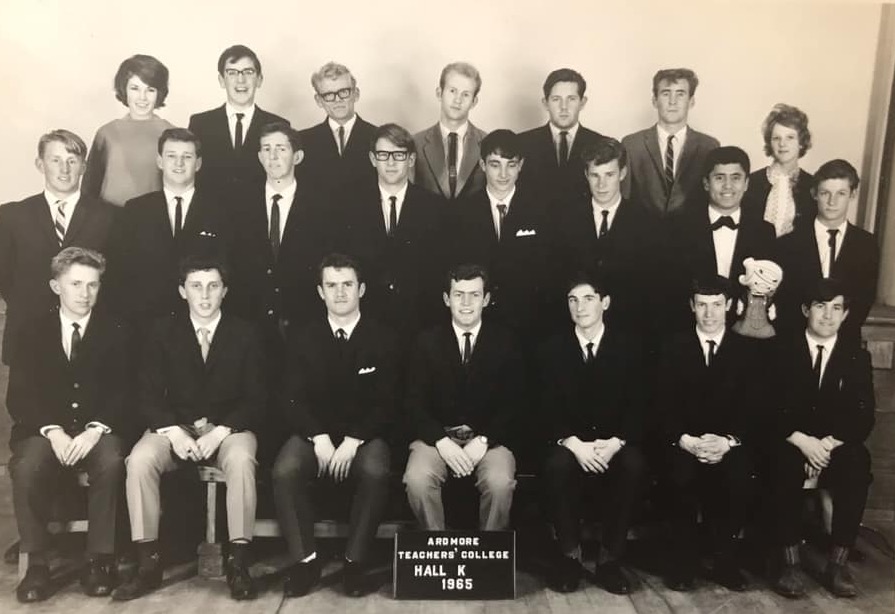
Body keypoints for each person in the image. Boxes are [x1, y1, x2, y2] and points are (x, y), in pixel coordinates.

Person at [112, 256, 266, 602]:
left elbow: (258, 398)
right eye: (196, 286)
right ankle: (148, 563)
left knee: (242, 461)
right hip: (174, 428)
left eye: (213, 286)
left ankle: (238, 563)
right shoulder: (161, 332)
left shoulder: (246, 333)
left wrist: (221, 430)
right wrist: (173, 431)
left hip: (229, 428)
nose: (205, 295)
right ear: (183, 291)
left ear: (225, 290)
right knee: (140, 460)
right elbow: (147, 395)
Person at [7, 247, 130, 603]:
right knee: (27, 466)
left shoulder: (118, 330)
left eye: (93, 285)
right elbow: (20, 396)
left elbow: (124, 390)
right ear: (55, 286)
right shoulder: (32, 331)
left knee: (111, 461)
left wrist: (96, 428)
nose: (84, 293)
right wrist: (53, 430)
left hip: (98, 430)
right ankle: (37, 563)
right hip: (45, 431)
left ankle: (99, 560)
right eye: (75, 284)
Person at [272, 254, 398, 598]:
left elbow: (388, 402)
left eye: (347, 285)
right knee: (285, 470)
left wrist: (354, 440)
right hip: (315, 434)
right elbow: (291, 398)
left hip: (365, 435)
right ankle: (306, 562)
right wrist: (319, 437)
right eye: (331, 285)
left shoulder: (384, 338)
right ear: (320, 291)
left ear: (362, 289)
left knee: (375, 471)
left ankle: (354, 564)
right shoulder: (302, 336)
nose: (340, 293)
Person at [539, 271, 647, 595]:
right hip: (571, 442)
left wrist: (616, 442)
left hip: (613, 441)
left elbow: (640, 404)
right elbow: (544, 407)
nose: (580, 307)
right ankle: (569, 558)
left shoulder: (630, 347)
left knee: (633, 465)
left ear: (605, 303)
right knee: (557, 466)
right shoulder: (551, 349)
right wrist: (573, 444)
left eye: (588, 299)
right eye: (573, 300)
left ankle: (609, 560)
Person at [769, 280, 875, 599]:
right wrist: (803, 442)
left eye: (836, 308)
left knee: (857, 463)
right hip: (792, 440)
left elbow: (864, 416)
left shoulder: (856, 356)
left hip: (833, 444)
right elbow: (767, 408)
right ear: (806, 310)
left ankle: (837, 563)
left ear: (845, 315)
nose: (828, 316)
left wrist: (826, 445)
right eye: (820, 307)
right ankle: (790, 564)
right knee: (781, 464)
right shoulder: (781, 350)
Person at [655, 276, 762, 592]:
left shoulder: (747, 351)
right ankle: (682, 563)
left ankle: (725, 563)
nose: (709, 313)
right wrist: (684, 440)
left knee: (739, 476)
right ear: (692, 306)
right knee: (680, 476)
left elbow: (753, 408)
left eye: (716, 305)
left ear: (729, 306)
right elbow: (661, 404)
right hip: (684, 442)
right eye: (702, 305)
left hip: (727, 444)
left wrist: (727, 442)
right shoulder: (672, 347)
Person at [403, 264, 521, 531]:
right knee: (417, 480)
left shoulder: (505, 342)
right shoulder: (426, 342)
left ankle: (490, 551)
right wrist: (441, 441)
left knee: (500, 483)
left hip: (488, 440)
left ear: (486, 299)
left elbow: (514, 403)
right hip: (437, 439)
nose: (466, 303)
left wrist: (485, 439)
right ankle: (437, 547)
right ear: (447, 299)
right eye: (459, 295)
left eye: (474, 295)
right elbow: (413, 403)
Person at [0, 129, 115, 366]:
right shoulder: (11, 215)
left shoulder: (109, 217)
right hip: (27, 334)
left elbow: (115, 276)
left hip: (89, 336)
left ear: (84, 167)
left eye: (72, 161)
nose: (64, 169)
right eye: (56, 160)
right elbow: (5, 276)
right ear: (40, 164)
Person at [227, 121, 332, 376]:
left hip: (303, 321)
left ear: (297, 156)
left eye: (281, 149)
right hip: (250, 321)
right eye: (267, 149)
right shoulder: (238, 202)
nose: (273, 156)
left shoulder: (322, 204)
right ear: (259, 156)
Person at [105, 128, 230, 337]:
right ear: (160, 161)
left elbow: (228, 267)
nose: (179, 163)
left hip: (200, 324)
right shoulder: (135, 210)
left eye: (187, 157)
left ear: (198, 164)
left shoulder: (220, 211)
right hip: (144, 323)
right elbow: (117, 271)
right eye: (171, 156)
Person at [333, 123, 446, 346]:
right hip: (365, 321)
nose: (391, 162)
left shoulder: (434, 207)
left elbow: (438, 270)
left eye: (399, 155)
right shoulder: (349, 205)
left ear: (411, 160)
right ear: (373, 159)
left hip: (418, 323)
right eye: (383, 155)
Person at [450, 129, 559, 342]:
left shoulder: (542, 210)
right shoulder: (462, 212)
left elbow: (549, 269)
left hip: (529, 321)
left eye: (511, 165)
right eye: (495, 164)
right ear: (482, 165)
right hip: (481, 322)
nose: (503, 174)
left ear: (521, 166)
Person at [555, 137, 660, 336]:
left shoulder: (647, 222)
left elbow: (651, 286)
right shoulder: (565, 220)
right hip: (578, 330)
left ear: (623, 173)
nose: (601, 184)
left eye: (609, 175)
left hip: (630, 328)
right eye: (595, 175)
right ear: (586, 174)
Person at [665, 146, 775, 330]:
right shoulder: (679, 229)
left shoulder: (764, 232)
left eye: (736, 177)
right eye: (719, 177)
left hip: (744, 331)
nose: (727, 186)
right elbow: (672, 289)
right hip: (691, 329)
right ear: (706, 183)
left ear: (747, 184)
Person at [775, 159, 879, 341]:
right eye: (825, 193)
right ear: (814, 194)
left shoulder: (867, 244)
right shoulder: (788, 244)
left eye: (841, 193)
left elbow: (863, 301)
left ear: (853, 194)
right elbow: (785, 299)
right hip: (795, 342)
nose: (832, 201)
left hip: (844, 344)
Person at [188, 45, 288, 202]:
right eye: (232, 72)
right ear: (222, 80)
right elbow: (191, 177)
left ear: (259, 80)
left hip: (260, 213)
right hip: (210, 213)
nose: (241, 80)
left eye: (248, 72)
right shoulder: (200, 124)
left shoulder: (279, 125)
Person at [621, 68, 719, 217]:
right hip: (642, 230)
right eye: (666, 94)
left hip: (693, 230)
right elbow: (624, 199)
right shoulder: (632, 145)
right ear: (655, 101)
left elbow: (713, 200)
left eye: (680, 94)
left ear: (691, 101)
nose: (673, 101)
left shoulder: (709, 146)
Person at [82, 54, 174, 207]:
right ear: (124, 89)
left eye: (150, 90)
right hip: (109, 215)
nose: (142, 97)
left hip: (152, 216)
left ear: (160, 93)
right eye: (135, 88)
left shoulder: (171, 134)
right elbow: (89, 187)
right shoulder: (107, 133)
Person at [518, 68, 605, 204]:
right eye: (556, 99)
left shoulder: (601, 144)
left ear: (582, 103)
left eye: (571, 99)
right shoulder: (522, 143)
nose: (564, 107)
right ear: (545, 103)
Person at [297, 62, 377, 194]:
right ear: (319, 100)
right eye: (329, 95)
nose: (337, 100)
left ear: (356, 94)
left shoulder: (379, 137)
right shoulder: (303, 141)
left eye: (344, 92)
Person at [413, 62, 487, 200]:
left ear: (474, 102)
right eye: (452, 91)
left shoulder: (487, 142)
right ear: (439, 93)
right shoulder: (416, 143)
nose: (458, 100)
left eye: (466, 94)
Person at [741, 104, 815, 237]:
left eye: (790, 137)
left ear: (801, 142)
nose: (782, 144)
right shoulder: (751, 182)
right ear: (770, 142)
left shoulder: (812, 185)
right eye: (776, 138)